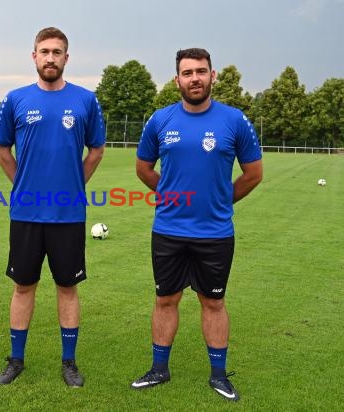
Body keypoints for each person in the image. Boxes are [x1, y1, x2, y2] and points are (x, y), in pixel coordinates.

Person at [131, 48, 263, 401]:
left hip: (215, 233)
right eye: (187, 73)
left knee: (214, 303)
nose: (194, 78)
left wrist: (221, 200)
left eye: (200, 71)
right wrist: (171, 194)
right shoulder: (160, 120)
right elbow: (143, 168)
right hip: (169, 231)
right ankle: (159, 369)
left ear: (212, 75)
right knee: (165, 300)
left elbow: (253, 174)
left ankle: (219, 375)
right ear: (177, 80)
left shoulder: (234, 121)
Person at [0, 27, 105, 387]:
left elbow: (97, 149)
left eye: (57, 52)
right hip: (26, 214)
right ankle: (16, 359)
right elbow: (1, 149)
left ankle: (69, 362)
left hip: (68, 215)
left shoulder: (86, 100)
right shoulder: (15, 99)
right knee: (23, 286)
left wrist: (73, 185)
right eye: (44, 51)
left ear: (66, 58)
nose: (50, 57)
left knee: (67, 288)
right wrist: (24, 187)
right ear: (34, 56)